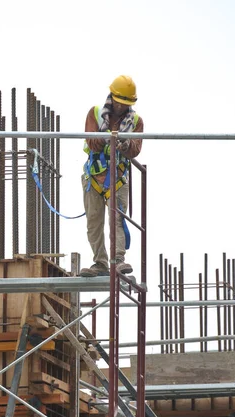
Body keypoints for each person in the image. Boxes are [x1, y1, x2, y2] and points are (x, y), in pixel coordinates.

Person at [79, 75, 144, 277]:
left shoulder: (136, 121)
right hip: (94, 178)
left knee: (117, 220)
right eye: (119, 102)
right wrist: (109, 138)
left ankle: (118, 261)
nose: (121, 107)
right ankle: (100, 263)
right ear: (112, 96)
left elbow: (136, 149)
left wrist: (125, 145)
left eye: (126, 104)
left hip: (117, 179)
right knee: (94, 222)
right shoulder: (96, 113)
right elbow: (91, 141)